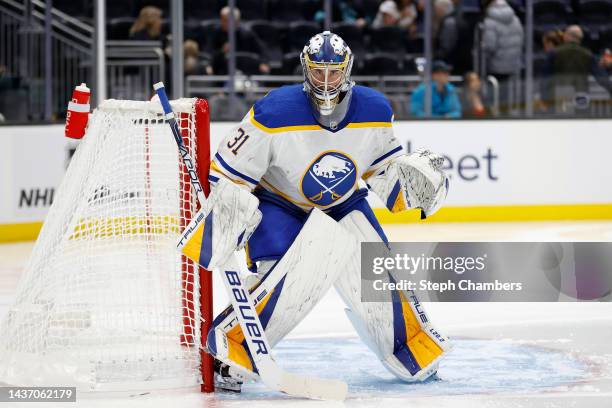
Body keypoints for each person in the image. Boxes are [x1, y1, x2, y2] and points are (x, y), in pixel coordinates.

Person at [181, 31, 451, 392]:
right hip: (281, 204)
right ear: (306, 69)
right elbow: (230, 173)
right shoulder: (272, 112)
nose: (326, 80)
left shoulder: (374, 110)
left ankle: (407, 345)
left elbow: (382, 171)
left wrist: (410, 189)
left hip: (344, 203)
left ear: (347, 70)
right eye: (318, 71)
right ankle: (233, 351)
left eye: (334, 72)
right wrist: (228, 214)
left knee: (375, 275)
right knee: (288, 284)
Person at [541, 25, 612, 114]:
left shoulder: (554, 53)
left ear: (567, 36)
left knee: (562, 123)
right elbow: (601, 77)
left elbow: (546, 77)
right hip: (582, 94)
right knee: (582, 122)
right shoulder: (587, 54)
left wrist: (544, 98)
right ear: (580, 38)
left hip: (562, 94)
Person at [481, 0, 524, 114]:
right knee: (508, 98)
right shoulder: (516, 19)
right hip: (513, 65)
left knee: (495, 97)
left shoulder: (489, 22)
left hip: (495, 67)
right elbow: (521, 40)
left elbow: (490, 46)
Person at [208, 6, 270, 75]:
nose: (223, 23)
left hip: (245, 69)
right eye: (222, 20)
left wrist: (263, 63)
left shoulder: (247, 33)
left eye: (226, 20)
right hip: (224, 70)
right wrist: (222, 51)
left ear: (237, 21)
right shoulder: (217, 33)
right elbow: (211, 53)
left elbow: (262, 51)